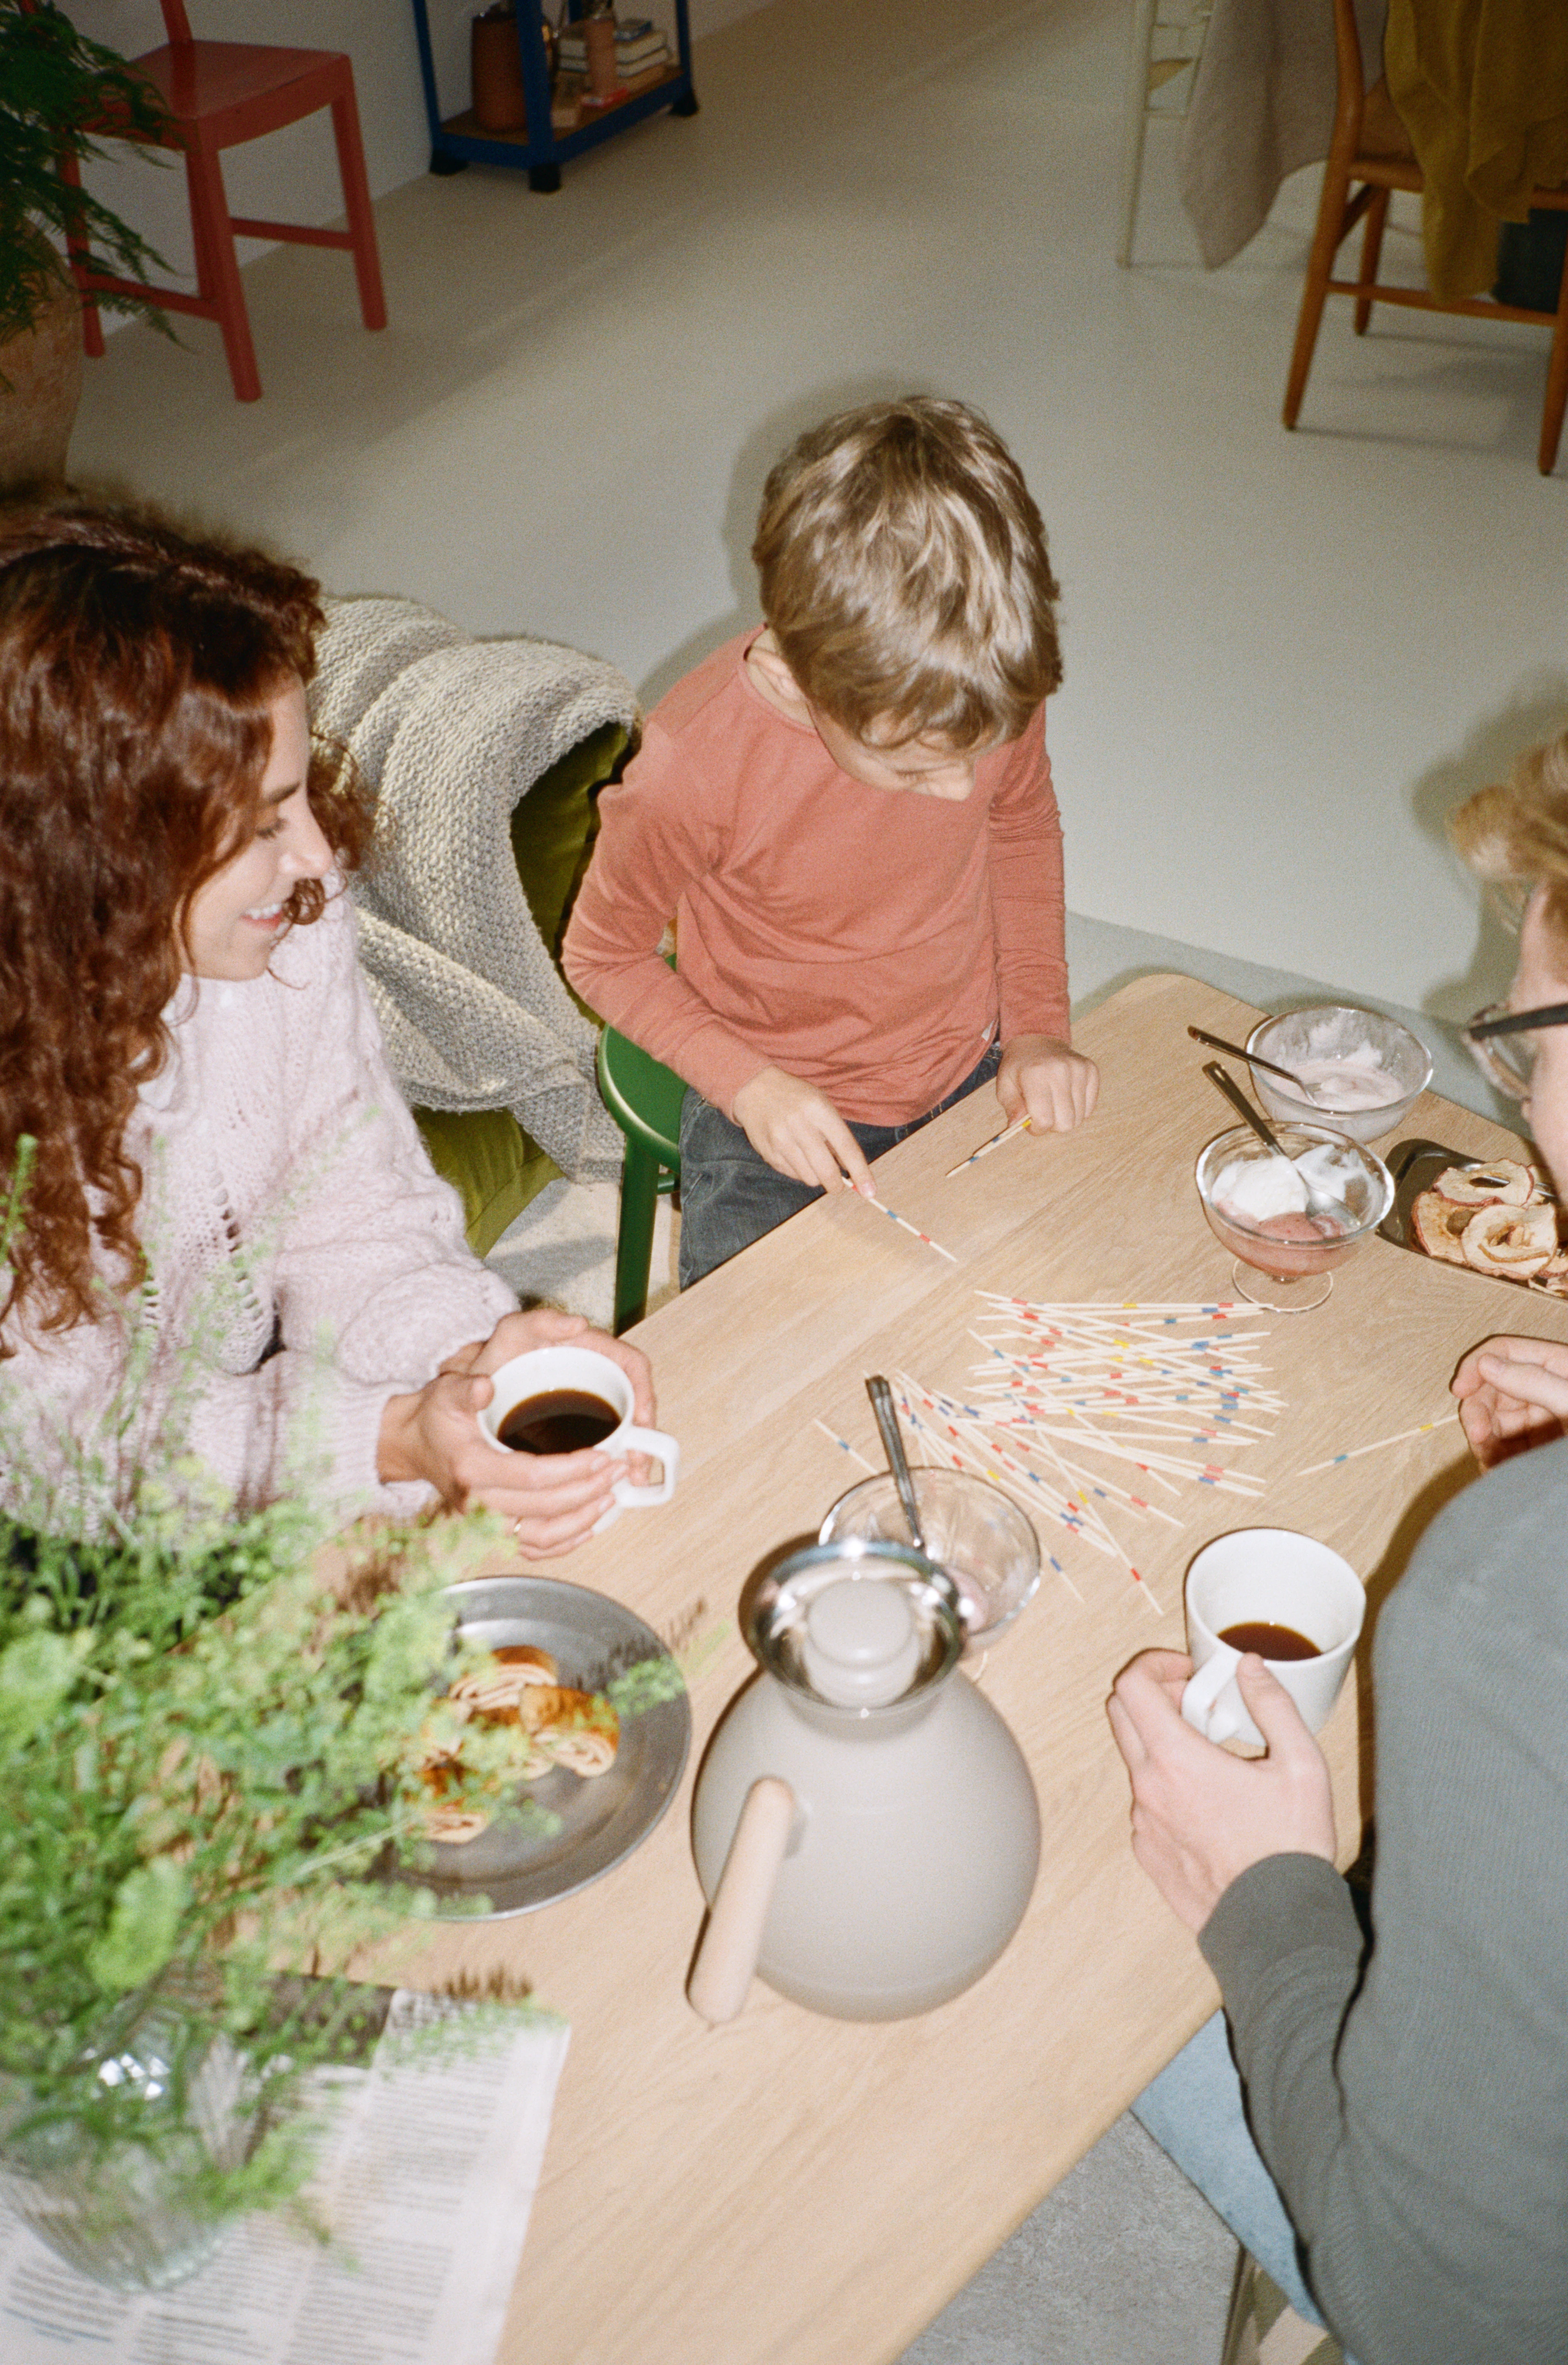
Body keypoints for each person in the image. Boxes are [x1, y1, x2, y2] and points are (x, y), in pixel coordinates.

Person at [1107, 728, 1568, 2363]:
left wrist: (1268, 1900)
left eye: (1522, 1041)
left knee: (1088, 1972)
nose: (1514, 1089)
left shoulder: (1514, 1608)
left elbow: (1431, 2298)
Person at [0, 503, 654, 1554]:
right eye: (263, 823)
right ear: (92, 855)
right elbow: (65, 1440)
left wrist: (469, 1358)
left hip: (220, 1462)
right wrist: (382, 1440)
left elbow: (355, 1220)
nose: (317, 856)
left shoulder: (287, 930)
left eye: (300, 795)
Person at [562, 397, 1099, 1288]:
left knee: (1042, 1306)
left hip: (967, 1061)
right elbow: (602, 956)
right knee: (751, 1373)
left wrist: (1039, 1029)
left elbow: (1020, 824)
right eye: (915, 767)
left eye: (976, 755)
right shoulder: (692, 772)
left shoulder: (980, 686)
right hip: (770, 1102)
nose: (961, 790)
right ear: (789, 677)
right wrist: (749, 1087)